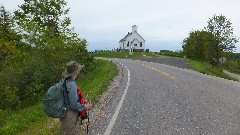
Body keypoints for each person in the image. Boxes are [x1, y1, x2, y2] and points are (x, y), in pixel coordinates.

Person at [60, 61, 92, 135]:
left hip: (64, 113)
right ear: (76, 72)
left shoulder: (65, 82)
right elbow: (74, 105)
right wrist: (86, 106)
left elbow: (67, 98)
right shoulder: (72, 85)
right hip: (69, 117)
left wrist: (79, 100)